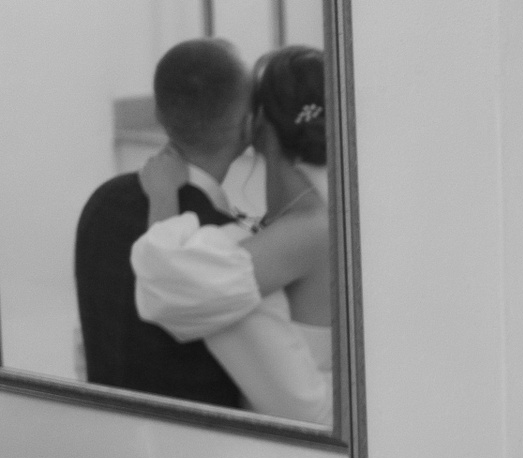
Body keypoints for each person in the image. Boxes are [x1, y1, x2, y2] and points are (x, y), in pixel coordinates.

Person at [132, 44, 333, 426]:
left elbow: (170, 289)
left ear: (256, 124)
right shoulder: (303, 217)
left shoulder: (309, 228)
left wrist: (162, 197)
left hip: (307, 436)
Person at [72, 38, 252, 407]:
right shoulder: (227, 243)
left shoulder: (102, 202)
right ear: (247, 126)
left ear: (158, 112)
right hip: (204, 438)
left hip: (104, 428)